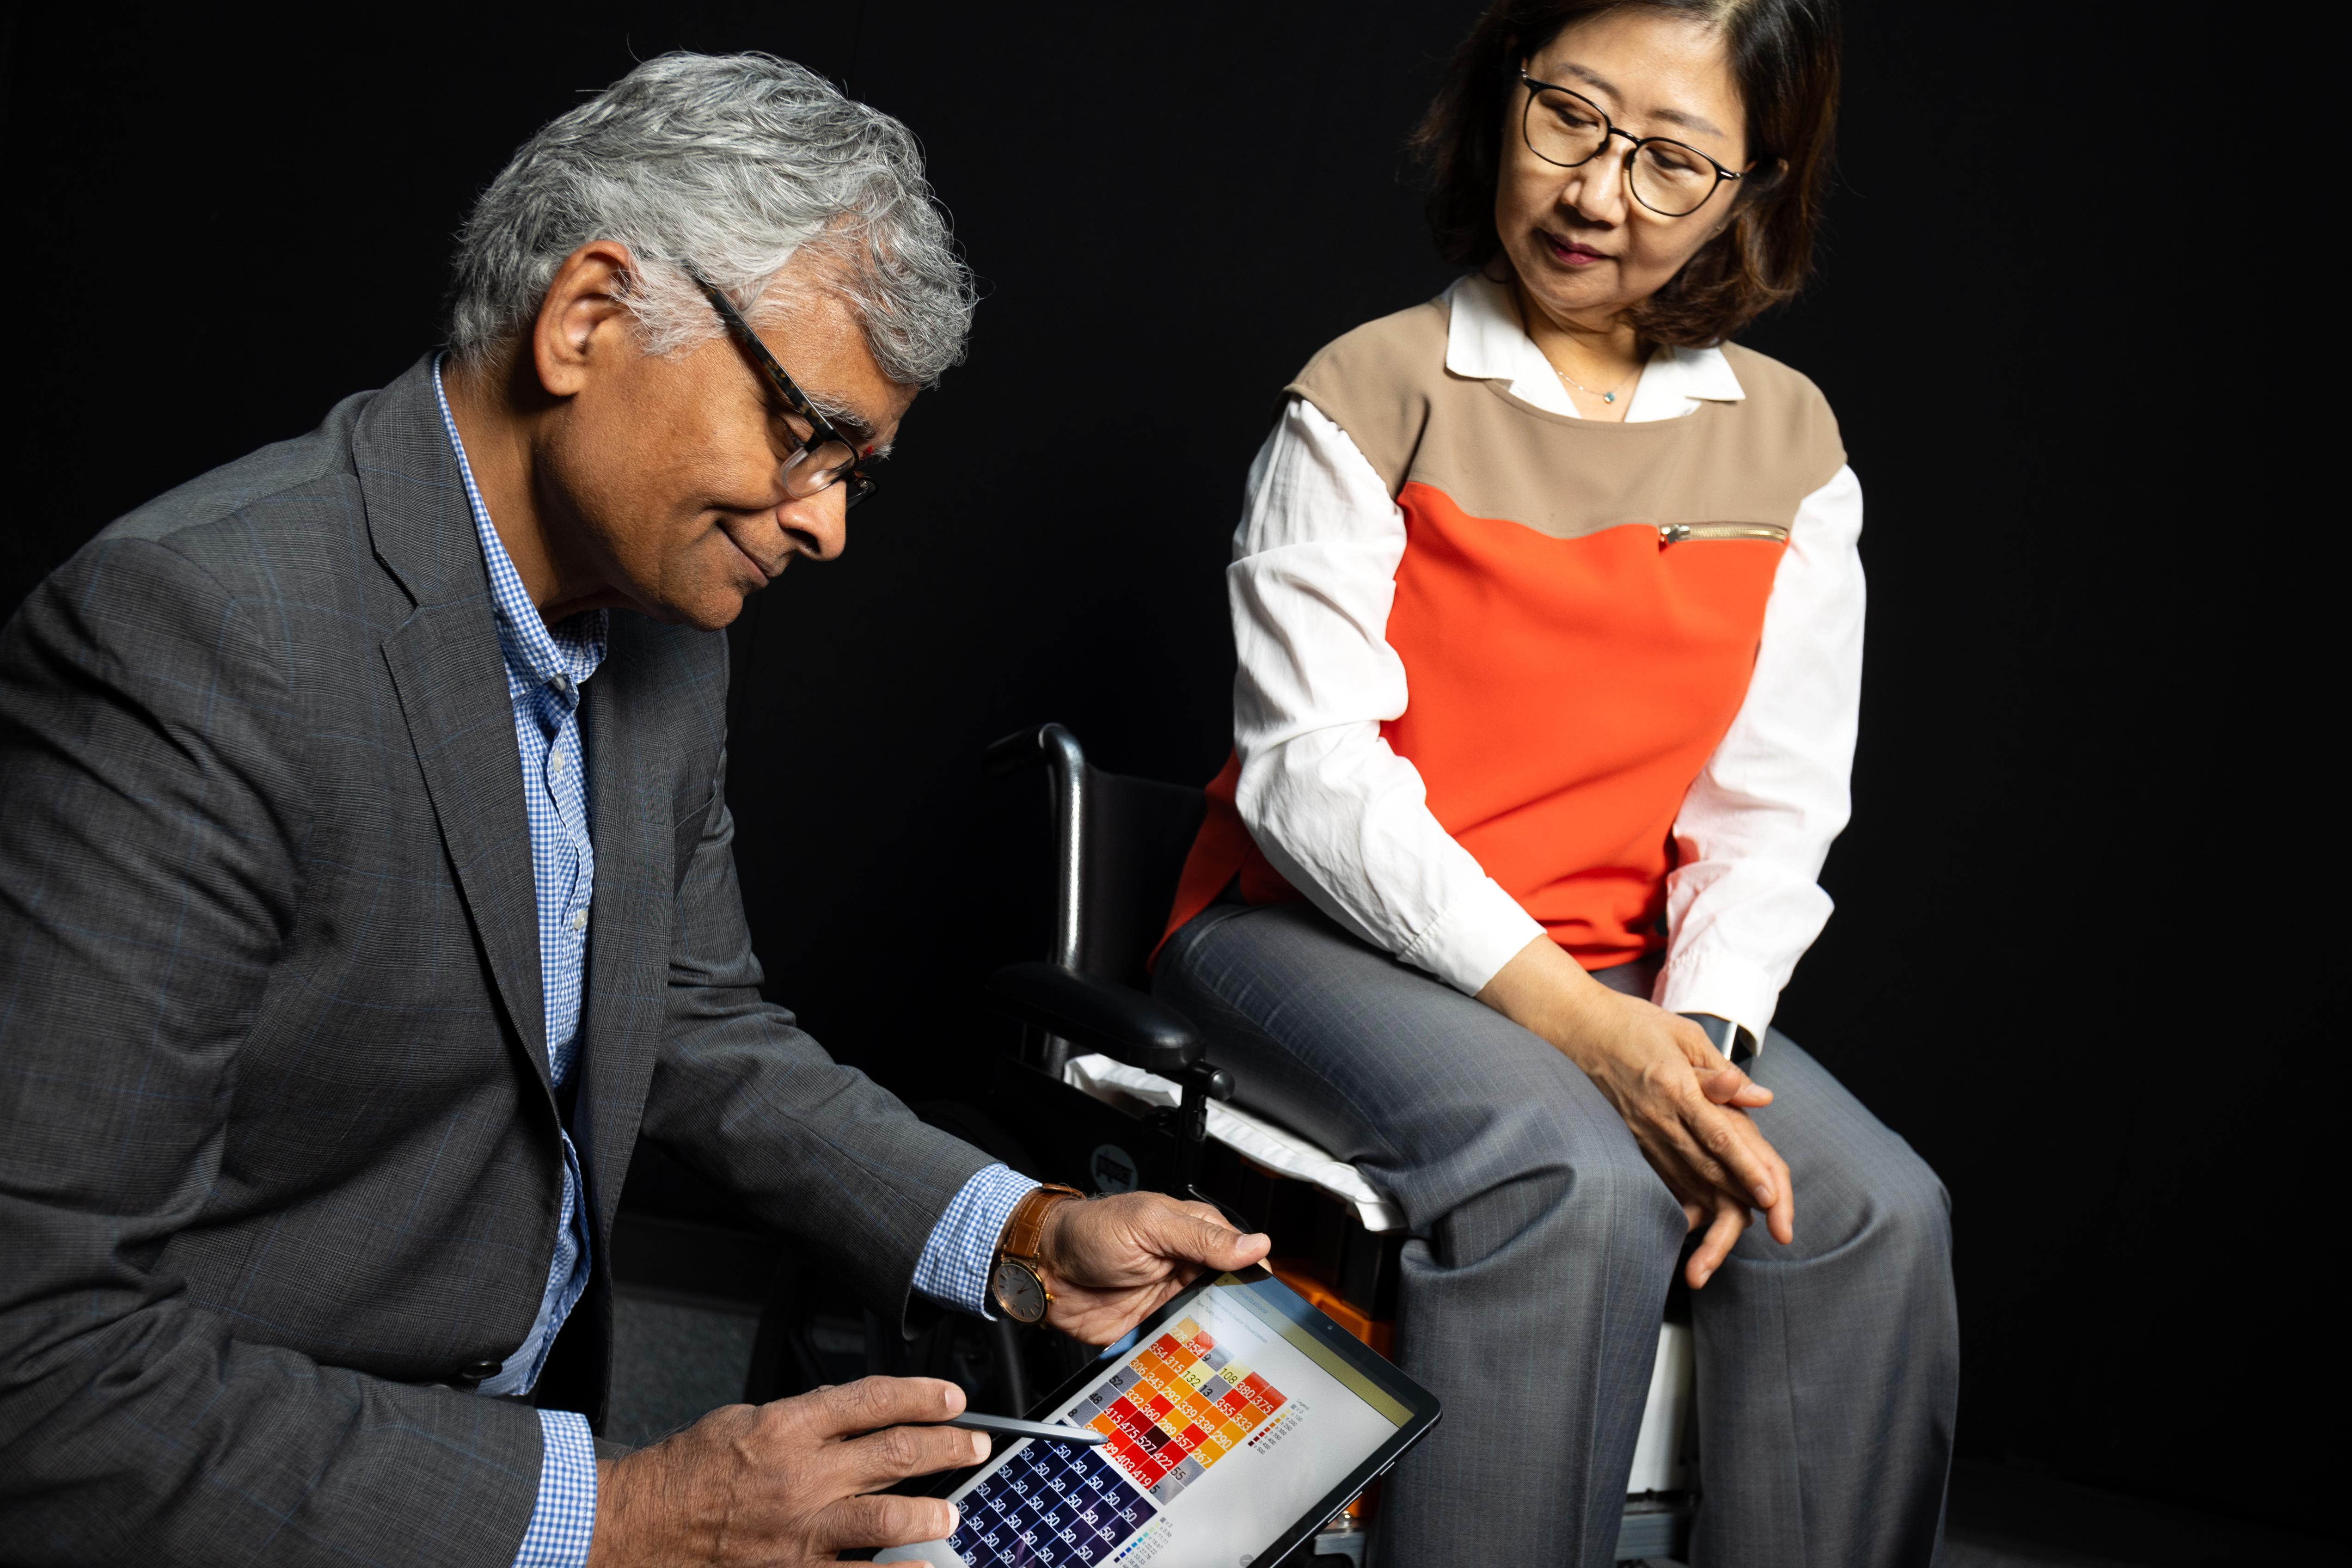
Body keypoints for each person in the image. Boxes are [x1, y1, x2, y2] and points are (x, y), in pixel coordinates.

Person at [0, 53, 1267, 1568]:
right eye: (808, 436)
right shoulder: (193, 635)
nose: (828, 525)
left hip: (539, 1451)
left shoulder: (663, 632)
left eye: (861, 471)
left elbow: (686, 1021)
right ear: (587, 320)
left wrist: (1020, 1235)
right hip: (280, 1495)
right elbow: (41, 1362)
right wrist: (630, 1512)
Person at [1152, 1, 1957, 1563]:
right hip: (1304, 938)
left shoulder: (1792, 450)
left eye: (1671, 163)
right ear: (1498, 100)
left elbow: (1767, 811)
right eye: (1570, 120)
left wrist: (1702, 1059)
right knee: (1574, 1174)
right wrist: (1603, 1044)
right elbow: (1314, 784)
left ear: (1752, 189)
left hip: (1631, 974)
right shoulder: (1367, 393)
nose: (1598, 193)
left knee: (1870, 1215)